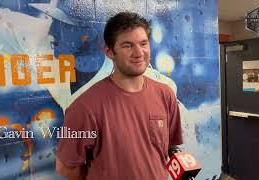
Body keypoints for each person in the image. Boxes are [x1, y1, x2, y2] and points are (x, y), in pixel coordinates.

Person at [56, 12, 183, 180]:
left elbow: (169, 147)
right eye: (127, 46)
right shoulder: (84, 107)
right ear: (109, 52)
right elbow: (66, 168)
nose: (139, 53)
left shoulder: (165, 94)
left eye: (143, 43)